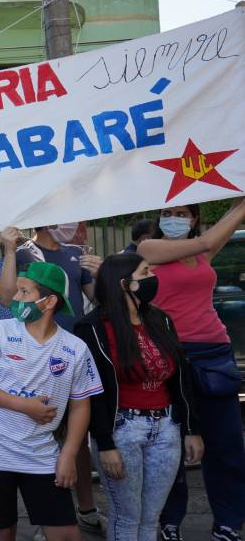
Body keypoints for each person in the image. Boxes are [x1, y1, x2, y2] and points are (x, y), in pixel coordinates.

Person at [0, 261, 103, 541]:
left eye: (24, 292)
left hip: (41, 453)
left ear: (49, 301)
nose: (15, 299)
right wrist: (24, 405)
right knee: (0, 530)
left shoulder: (75, 348)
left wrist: (68, 455)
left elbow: (81, 405)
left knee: (65, 532)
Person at [135, 199, 245, 541]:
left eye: (181, 214)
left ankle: (227, 522)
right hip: (169, 353)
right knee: (170, 446)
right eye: (167, 213)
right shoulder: (149, 248)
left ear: (194, 218)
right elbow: (210, 240)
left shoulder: (199, 254)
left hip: (214, 353)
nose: (173, 219)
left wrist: (239, 202)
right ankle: (169, 522)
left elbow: (219, 232)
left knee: (225, 443)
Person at [74, 253, 203, 540]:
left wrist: (191, 429)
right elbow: (93, 392)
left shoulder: (160, 319)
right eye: (145, 273)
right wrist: (105, 443)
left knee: (150, 518)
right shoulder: (92, 327)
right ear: (125, 284)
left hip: (166, 428)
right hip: (122, 431)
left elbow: (181, 376)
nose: (152, 278)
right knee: (126, 517)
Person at [0, 223, 105, 532]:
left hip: (71, 355)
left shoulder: (75, 255)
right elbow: (6, 298)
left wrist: (102, 273)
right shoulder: (21, 252)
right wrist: (8, 251)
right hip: (31, 359)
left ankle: (86, 508)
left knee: (77, 439)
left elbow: (99, 299)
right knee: (36, 436)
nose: (75, 225)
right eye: (68, 218)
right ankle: (44, 520)